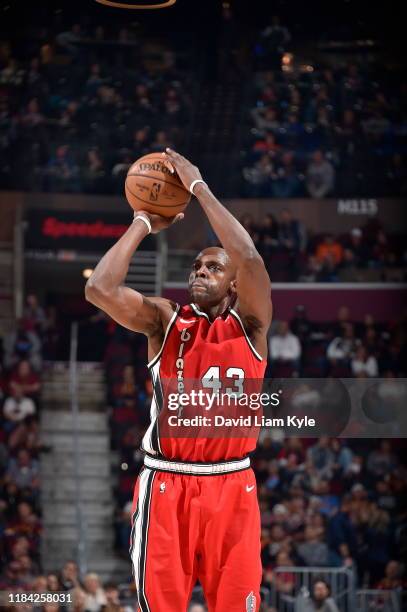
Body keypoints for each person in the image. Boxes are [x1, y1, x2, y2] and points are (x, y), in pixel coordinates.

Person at [85, 148, 273, 611]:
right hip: (168, 484)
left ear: (233, 284)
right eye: (195, 267)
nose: (200, 273)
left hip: (234, 485)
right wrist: (144, 221)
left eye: (213, 267)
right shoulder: (166, 321)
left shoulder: (251, 327)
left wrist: (198, 186)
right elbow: (99, 289)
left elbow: (248, 256)